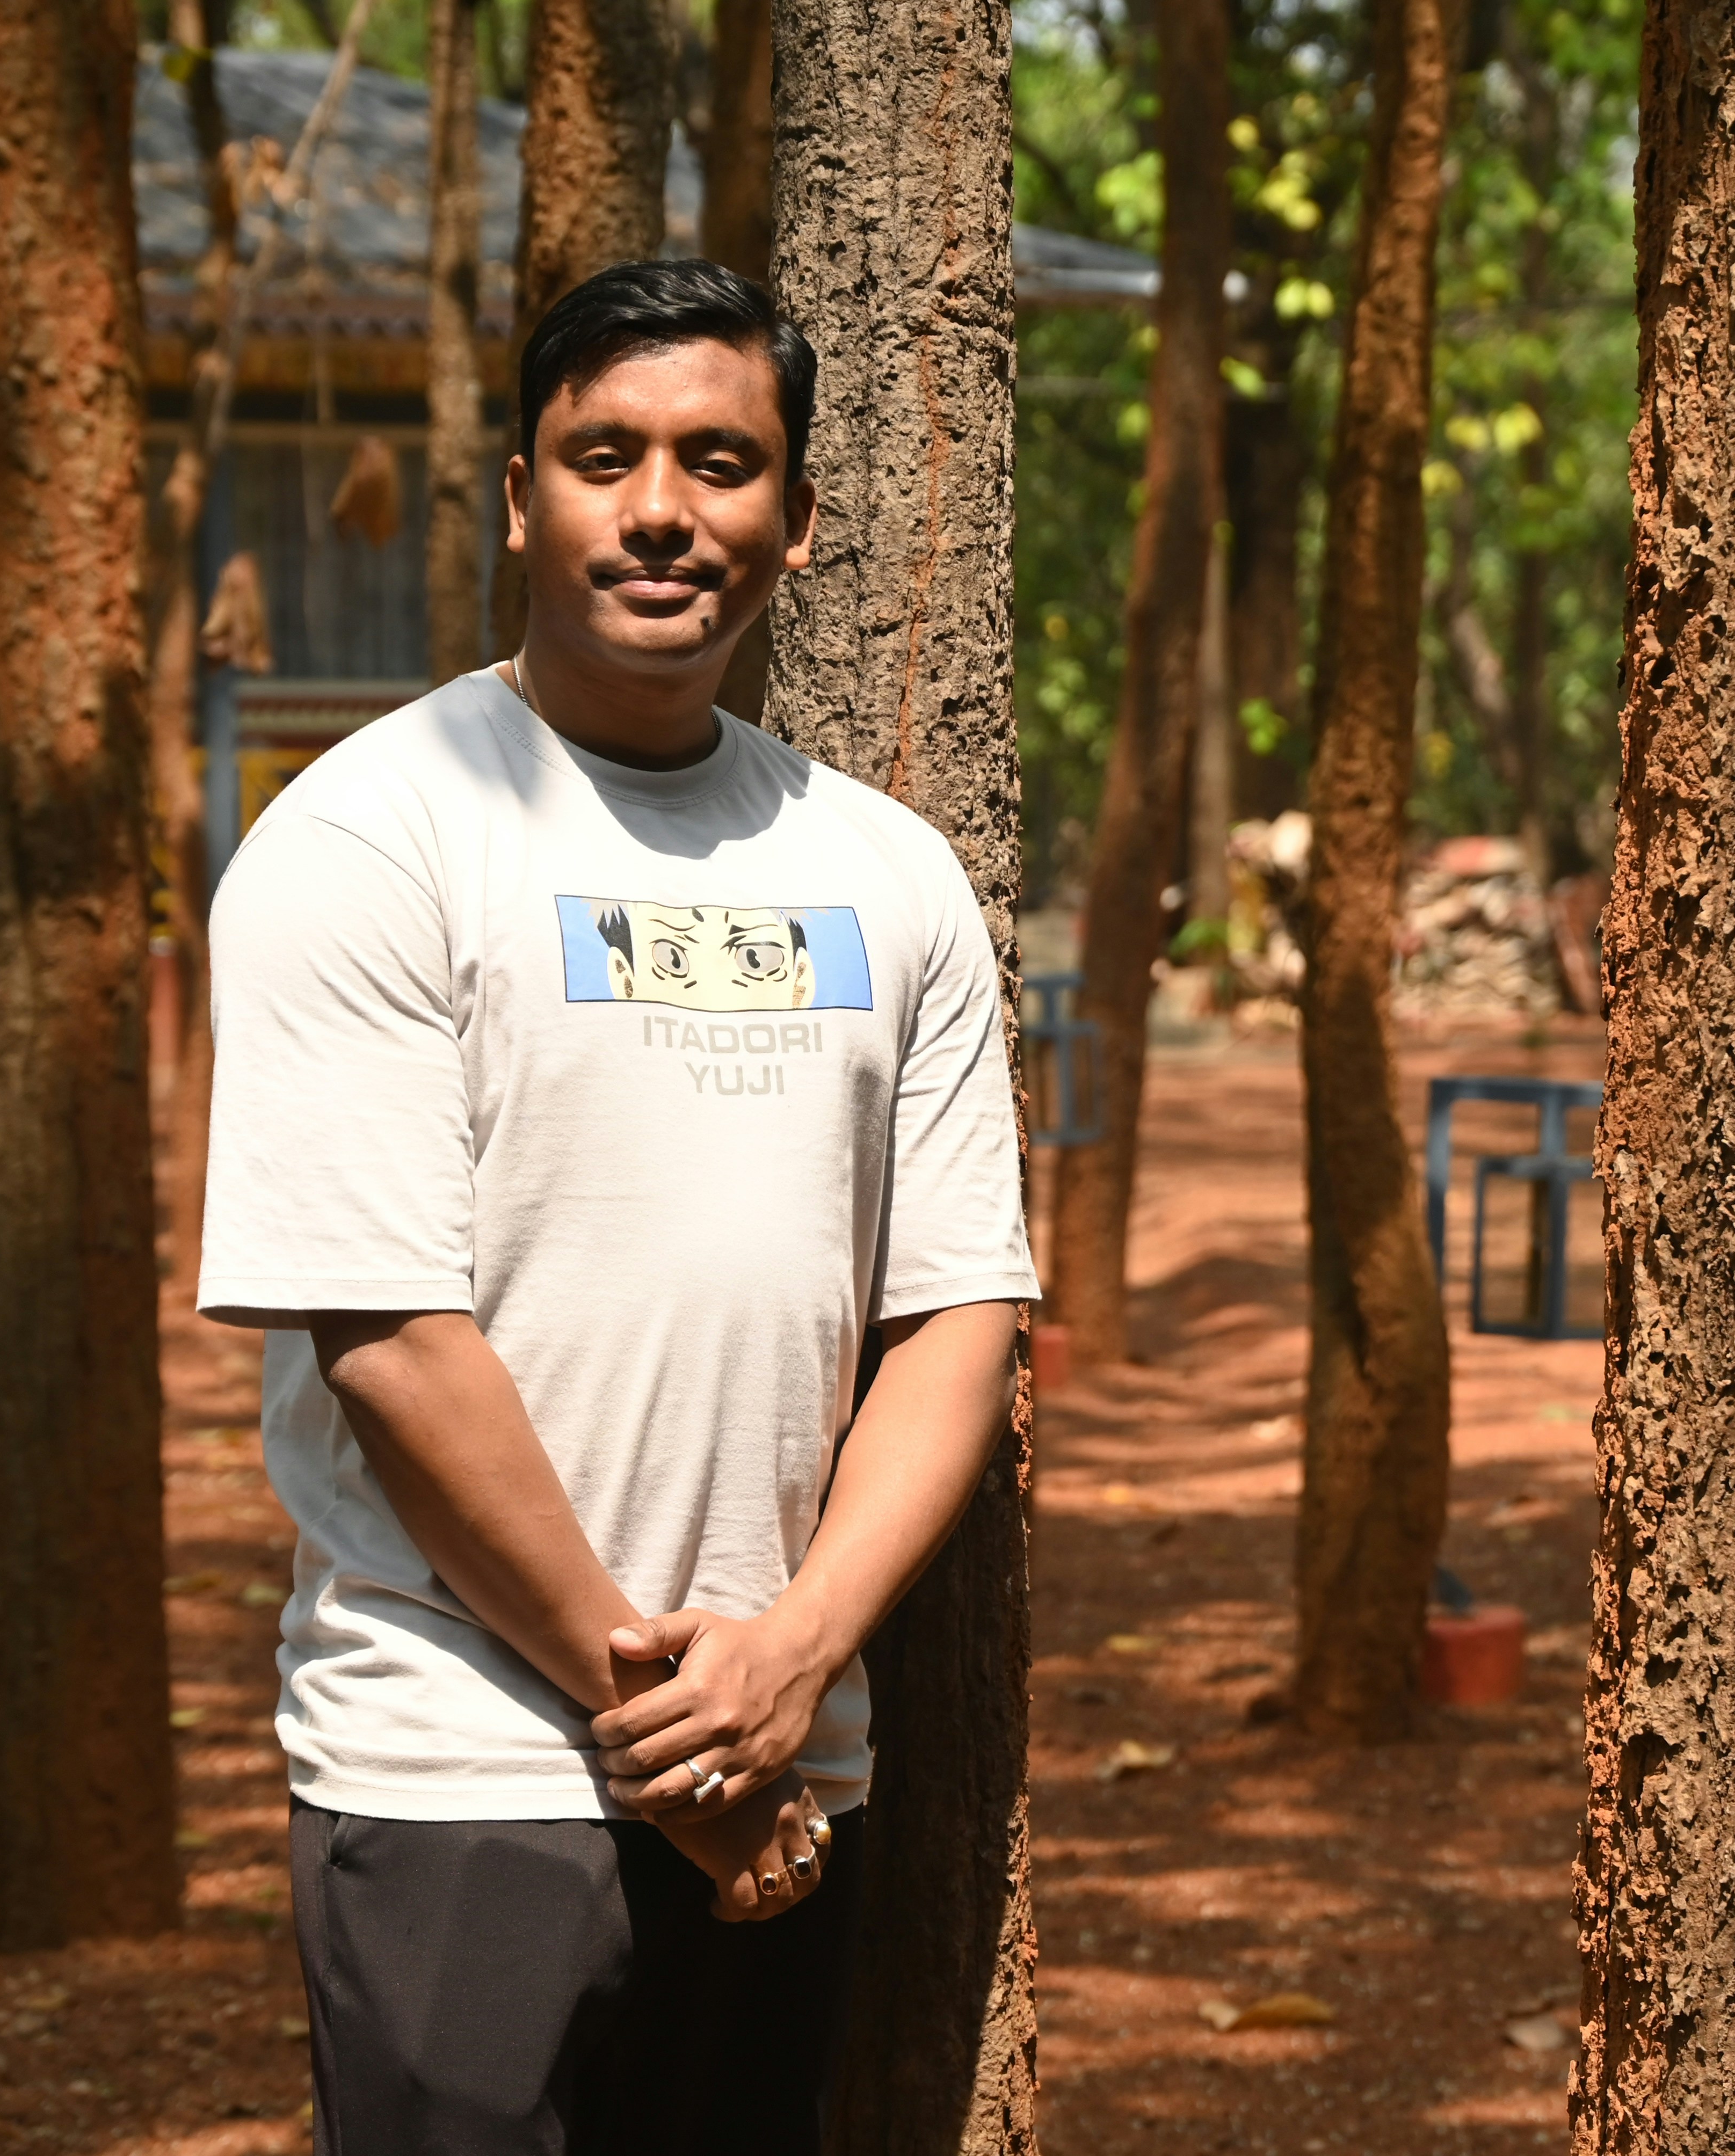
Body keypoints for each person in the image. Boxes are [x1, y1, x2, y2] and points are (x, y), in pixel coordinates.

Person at [195, 258, 1036, 2154]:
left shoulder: (887, 876)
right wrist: (677, 1741)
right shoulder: (374, 834)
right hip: (460, 1769)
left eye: (722, 461)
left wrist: (799, 1657)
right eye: (605, 456)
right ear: (521, 498)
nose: (663, 508)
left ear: (799, 521)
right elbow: (393, 1344)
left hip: (794, 1747)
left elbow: (958, 1315)